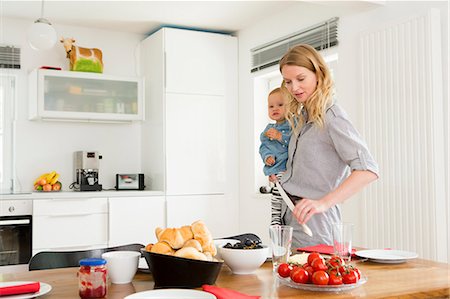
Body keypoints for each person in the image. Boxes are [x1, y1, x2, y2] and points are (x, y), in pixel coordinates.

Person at [278, 44, 379, 248]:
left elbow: (368, 169)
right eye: (288, 81)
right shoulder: (302, 117)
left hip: (316, 224)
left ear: (319, 74)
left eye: (300, 79)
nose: (294, 88)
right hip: (289, 216)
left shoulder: (332, 117)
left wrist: (323, 203)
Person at [259, 87, 291, 225]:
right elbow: (263, 147)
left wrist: (280, 136)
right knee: (276, 199)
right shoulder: (268, 129)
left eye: (280, 105)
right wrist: (267, 157)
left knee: (282, 197)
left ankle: (277, 223)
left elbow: (294, 142)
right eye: (271, 106)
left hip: (288, 170)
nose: (274, 109)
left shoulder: (292, 125)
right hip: (276, 169)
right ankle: (275, 222)